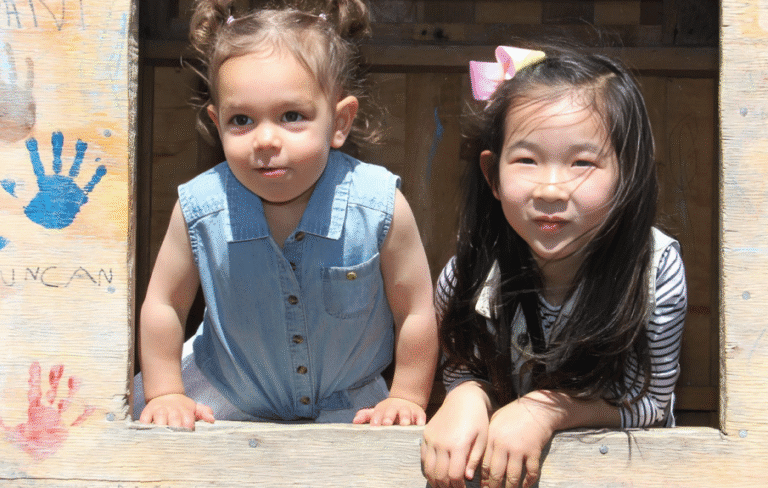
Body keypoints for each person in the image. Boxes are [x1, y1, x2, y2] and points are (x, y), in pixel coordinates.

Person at [133, 0, 438, 430]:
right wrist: (166, 393)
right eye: (241, 120)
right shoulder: (201, 209)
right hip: (223, 397)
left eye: (291, 116)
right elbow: (165, 302)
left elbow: (417, 310)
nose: (265, 139)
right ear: (216, 123)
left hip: (350, 408)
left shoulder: (379, 206)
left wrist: (406, 395)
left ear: (340, 121)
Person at [421, 45, 687, 488]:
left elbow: (650, 405)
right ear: (492, 176)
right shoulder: (466, 276)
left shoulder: (655, 271)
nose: (550, 188)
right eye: (526, 160)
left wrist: (546, 409)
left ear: (630, 174)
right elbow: (464, 367)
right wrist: (467, 395)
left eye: (582, 162)